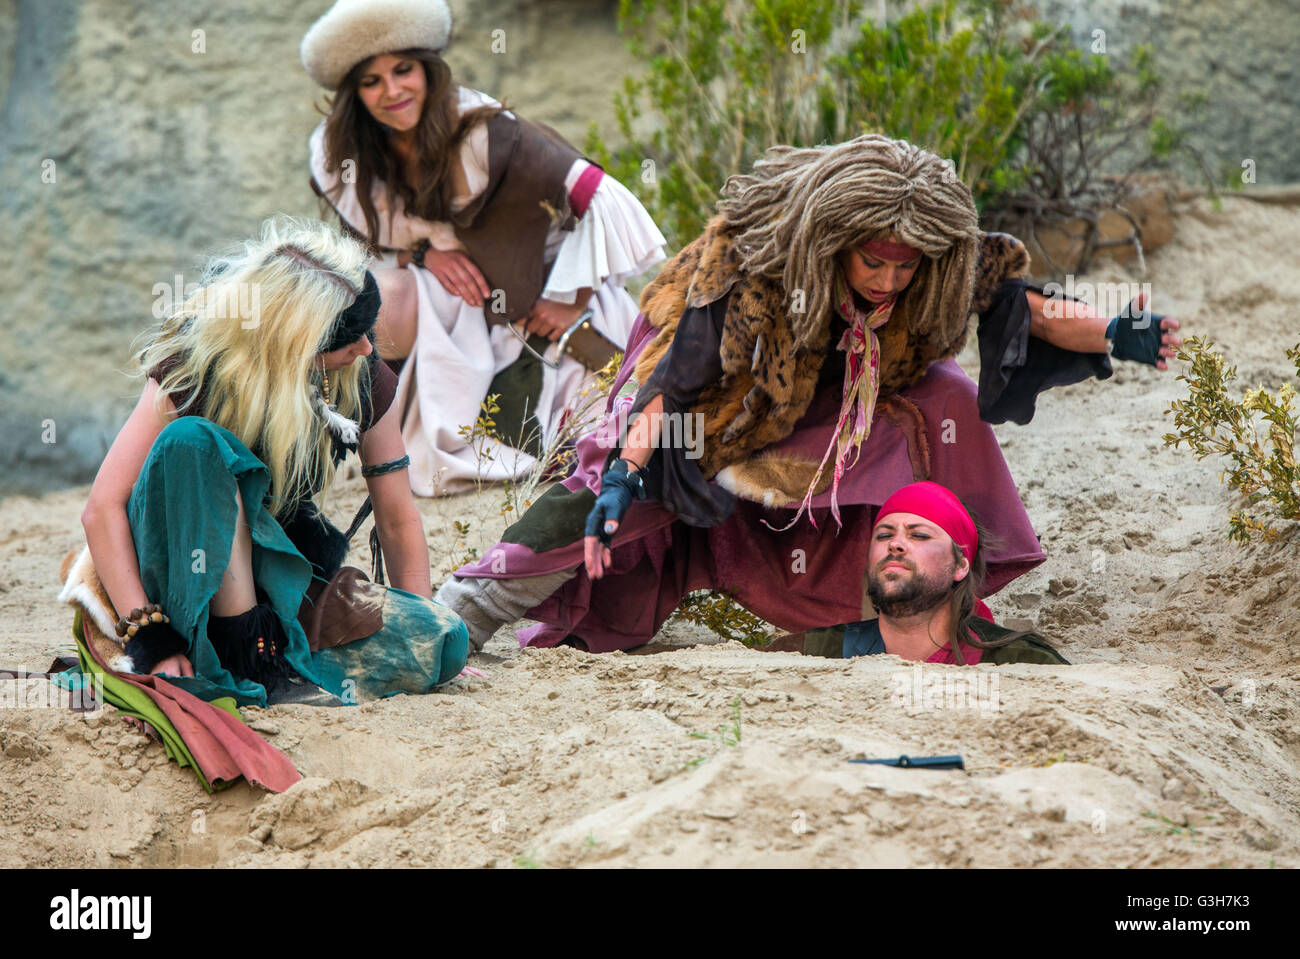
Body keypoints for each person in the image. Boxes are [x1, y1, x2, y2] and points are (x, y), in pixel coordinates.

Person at [436, 134, 1181, 654]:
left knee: (944, 396)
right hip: (728, 391)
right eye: (872, 262)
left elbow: (1027, 306)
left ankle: (917, 612)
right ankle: (471, 608)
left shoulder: (946, 262)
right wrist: (622, 478)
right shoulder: (753, 269)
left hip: (841, 400)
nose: (889, 282)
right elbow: (673, 386)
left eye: (907, 267)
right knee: (632, 478)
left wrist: (1119, 331)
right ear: (833, 242)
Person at [77, 216, 468, 707]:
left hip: (277, 578)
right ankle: (248, 660)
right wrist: (149, 638)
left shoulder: (359, 372)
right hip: (179, 577)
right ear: (294, 344)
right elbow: (102, 508)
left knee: (446, 640)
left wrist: (424, 618)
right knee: (195, 441)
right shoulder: (196, 366)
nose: (368, 348)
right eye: (351, 340)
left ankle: (273, 657)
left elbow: (396, 517)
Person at [301, 0, 666, 495]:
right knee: (364, 299)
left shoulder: (481, 129)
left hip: (552, 305)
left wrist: (570, 297)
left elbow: (598, 193)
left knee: (605, 430)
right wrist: (428, 254)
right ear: (354, 94)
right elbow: (385, 236)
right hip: (461, 300)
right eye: (371, 81)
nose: (392, 91)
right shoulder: (342, 151)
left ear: (426, 70)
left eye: (403, 70)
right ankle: (333, 438)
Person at [767, 482, 1068, 664]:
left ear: (961, 565)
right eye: (883, 536)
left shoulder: (1021, 661)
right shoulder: (810, 652)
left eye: (919, 535)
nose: (896, 544)